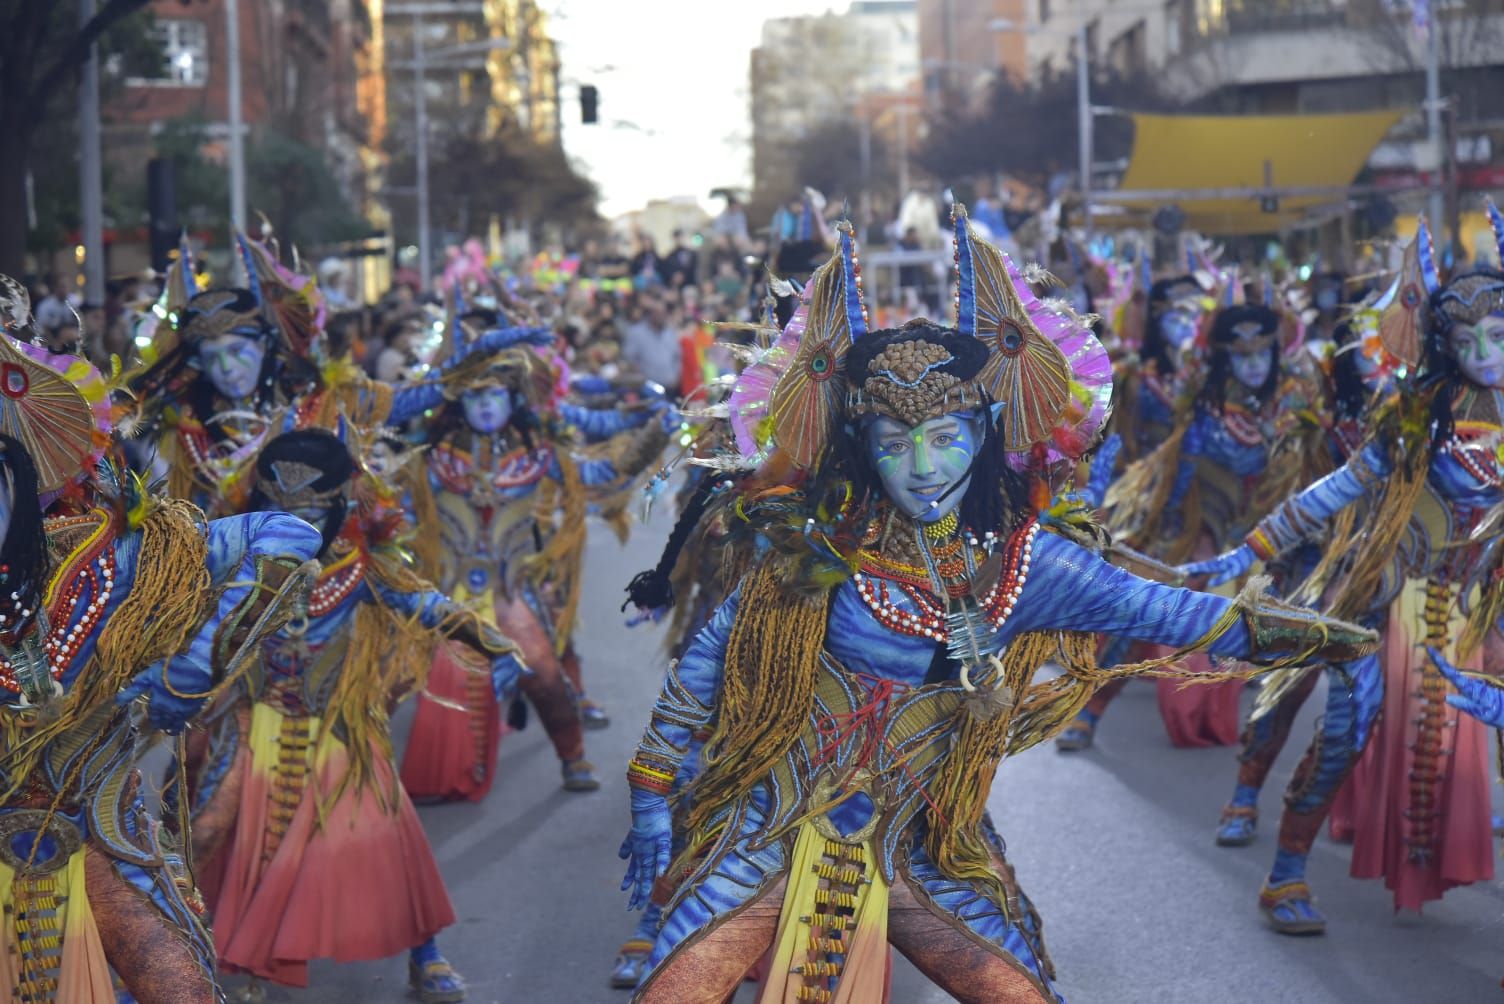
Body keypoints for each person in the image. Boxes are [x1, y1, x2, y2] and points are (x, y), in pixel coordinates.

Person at [619, 215, 1375, 1002]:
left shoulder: (1030, 563)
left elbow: (1184, 617)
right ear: (859, 446)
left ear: (985, 434)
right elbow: (706, 663)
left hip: (921, 849)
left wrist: (1327, 636)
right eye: (893, 439)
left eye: (945, 437)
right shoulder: (817, 546)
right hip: (766, 837)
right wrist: (649, 797)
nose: (921, 466)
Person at [1181, 217, 1504, 933]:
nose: (1487, 354)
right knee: (1342, 728)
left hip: (1479, 603)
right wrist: (1247, 554)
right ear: (1445, 347)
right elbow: (1334, 493)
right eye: (1470, 340)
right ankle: (1286, 874)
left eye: (1499, 335)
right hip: (1386, 595)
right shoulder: (1416, 414)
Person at [0, 286, 322, 1003]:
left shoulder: (124, 556)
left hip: (97, 838)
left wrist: (190, 665)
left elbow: (288, 535)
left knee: (185, 991)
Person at [203, 430, 525, 1003]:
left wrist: (501, 646)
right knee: (204, 829)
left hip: (339, 726)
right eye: (276, 510)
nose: (290, 525)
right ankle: (165, 957)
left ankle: (424, 952)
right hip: (252, 724)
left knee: (381, 831)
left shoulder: (362, 570)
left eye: (305, 512)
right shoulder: (233, 563)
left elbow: (432, 607)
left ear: (337, 508)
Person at [622, 296, 683, 396]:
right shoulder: (637, 332)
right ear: (650, 314)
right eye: (658, 313)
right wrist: (642, 379)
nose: (661, 316)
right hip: (647, 390)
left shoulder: (669, 332)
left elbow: (677, 356)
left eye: (663, 313)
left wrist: (676, 376)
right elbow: (629, 359)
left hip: (671, 388)